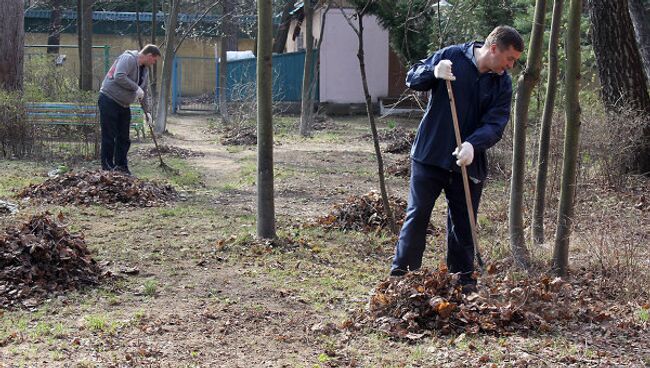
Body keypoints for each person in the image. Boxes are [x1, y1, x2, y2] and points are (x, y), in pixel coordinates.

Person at [390, 26, 524, 292]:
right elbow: (412, 77)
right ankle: (401, 279)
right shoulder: (452, 56)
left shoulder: (502, 83)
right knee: (417, 217)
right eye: (510, 59)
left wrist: (473, 145)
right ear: (494, 48)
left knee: (464, 223)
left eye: (514, 62)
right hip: (430, 155)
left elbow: (496, 123)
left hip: (468, 162)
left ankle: (462, 283)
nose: (510, 66)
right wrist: (433, 71)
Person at [98, 44, 161, 175]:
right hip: (109, 99)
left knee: (124, 138)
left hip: (124, 105)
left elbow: (143, 91)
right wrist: (135, 87)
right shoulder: (128, 58)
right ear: (149, 56)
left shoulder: (144, 71)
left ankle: (121, 166)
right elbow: (119, 76)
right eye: (154, 60)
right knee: (109, 135)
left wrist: (147, 112)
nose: (154, 63)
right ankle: (107, 167)